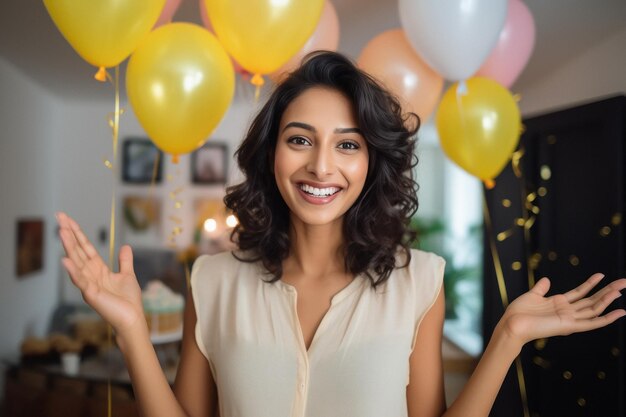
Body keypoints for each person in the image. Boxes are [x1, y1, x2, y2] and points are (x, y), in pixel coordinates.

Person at [56, 51, 626, 417]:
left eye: (348, 144)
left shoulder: (419, 281)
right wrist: (131, 327)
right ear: (270, 154)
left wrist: (506, 339)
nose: (321, 167)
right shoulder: (211, 281)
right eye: (300, 139)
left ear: (371, 162)